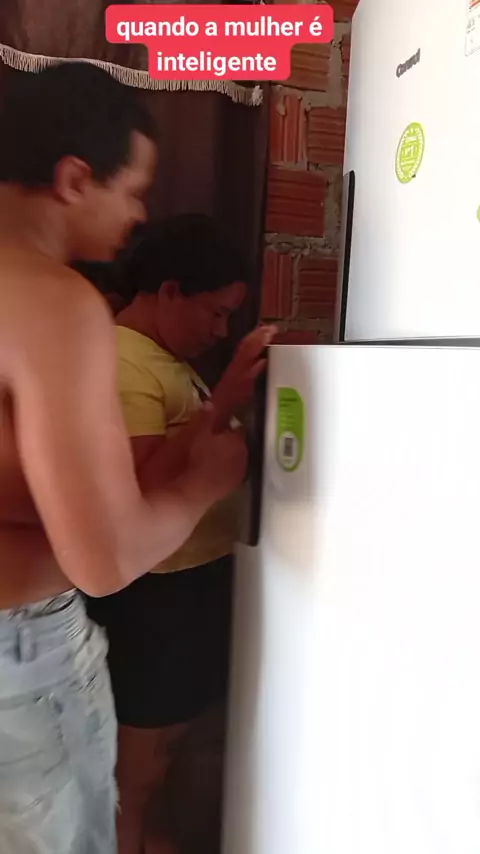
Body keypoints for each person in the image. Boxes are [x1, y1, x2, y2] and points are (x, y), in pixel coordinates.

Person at [0, 62, 248, 854]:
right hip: (20, 656)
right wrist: (208, 481)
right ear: (75, 178)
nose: (139, 215)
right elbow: (106, 559)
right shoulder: (52, 299)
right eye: (134, 190)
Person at [86, 214, 274, 854]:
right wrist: (222, 403)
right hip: (155, 597)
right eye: (215, 313)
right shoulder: (123, 359)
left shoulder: (162, 361)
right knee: (137, 776)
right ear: (169, 290)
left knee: (166, 765)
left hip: (188, 587)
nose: (220, 331)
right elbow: (138, 488)